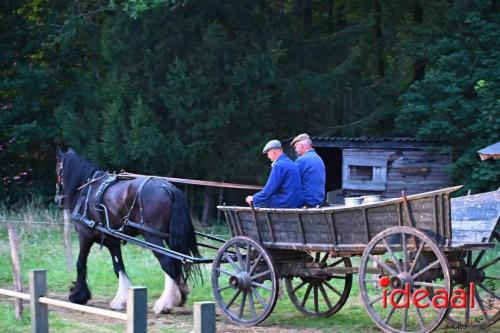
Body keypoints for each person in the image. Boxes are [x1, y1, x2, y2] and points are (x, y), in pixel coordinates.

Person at [245, 139, 303, 208]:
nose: (268, 156)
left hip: (286, 202)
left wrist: (254, 198)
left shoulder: (279, 165)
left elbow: (269, 190)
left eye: (268, 153)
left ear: (274, 152)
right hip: (297, 202)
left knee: (258, 202)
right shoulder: (291, 162)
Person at [291, 133, 326, 207]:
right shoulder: (318, 158)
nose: (296, 150)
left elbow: (289, 179)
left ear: (300, 146)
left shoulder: (302, 160)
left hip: (307, 201)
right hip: (319, 200)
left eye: (296, 147)